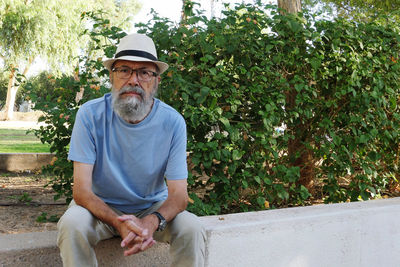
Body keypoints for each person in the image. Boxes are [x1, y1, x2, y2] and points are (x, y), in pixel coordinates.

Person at [57, 33, 206, 267]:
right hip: (98, 207)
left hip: (151, 208)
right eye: (124, 70)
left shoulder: (173, 122)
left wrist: (152, 221)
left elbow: (178, 196)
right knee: (72, 224)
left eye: (144, 72)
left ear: (156, 81)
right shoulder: (89, 115)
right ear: (112, 76)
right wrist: (118, 222)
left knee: (191, 228)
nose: (133, 80)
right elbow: (82, 192)